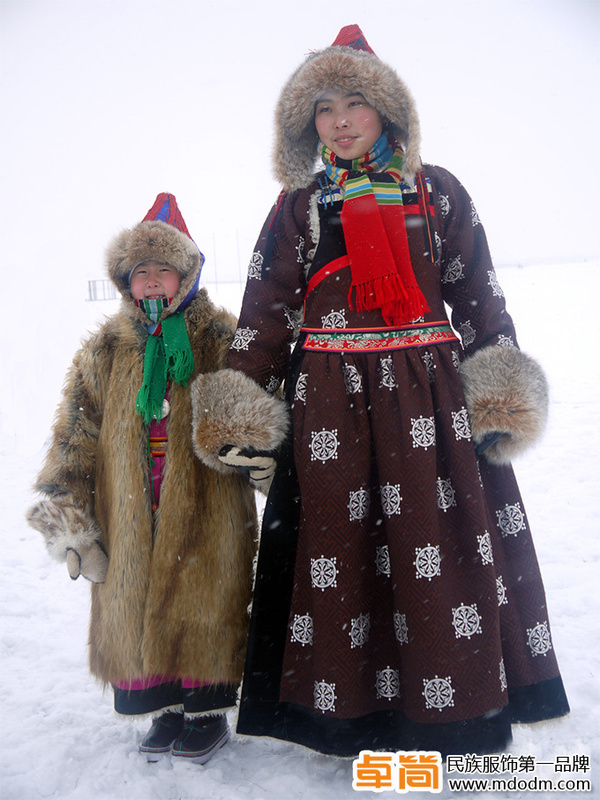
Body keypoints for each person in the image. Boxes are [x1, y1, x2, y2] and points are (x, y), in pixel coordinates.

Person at [191, 26, 569, 758]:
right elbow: (266, 304)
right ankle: (352, 719)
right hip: (330, 408)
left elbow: (480, 299)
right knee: (343, 558)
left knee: (438, 557)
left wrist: (500, 396)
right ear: (308, 123)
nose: (340, 119)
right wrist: (240, 405)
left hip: (431, 407)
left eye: (355, 101)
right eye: (324, 106)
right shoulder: (300, 205)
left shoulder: (439, 192)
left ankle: (443, 715)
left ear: (388, 111)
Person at [27, 194, 258, 764]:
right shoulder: (106, 349)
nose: (153, 283)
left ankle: (204, 711)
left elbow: (255, 410)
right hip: (128, 498)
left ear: (188, 274)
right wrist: (69, 520)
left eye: (164, 271)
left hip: (207, 497)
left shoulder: (220, 337)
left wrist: (262, 460)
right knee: (137, 593)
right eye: (141, 273)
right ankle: (164, 707)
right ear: (126, 283)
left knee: (202, 591)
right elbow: (75, 432)